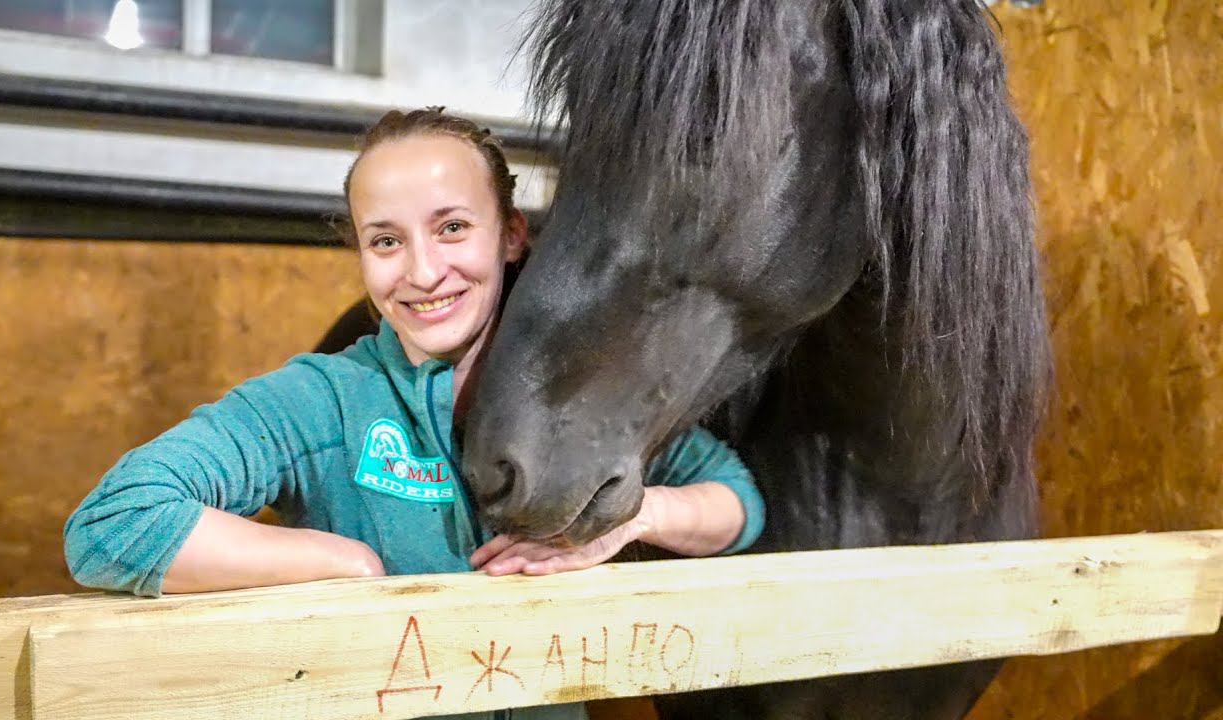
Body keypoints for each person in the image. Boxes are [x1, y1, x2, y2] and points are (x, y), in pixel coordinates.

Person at [63, 108, 764, 718]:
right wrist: (344, 565)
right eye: (386, 241)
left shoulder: (578, 396)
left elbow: (736, 503)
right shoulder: (319, 401)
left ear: (511, 235)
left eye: (453, 227)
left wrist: (630, 518)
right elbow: (114, 524)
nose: (423, 273)